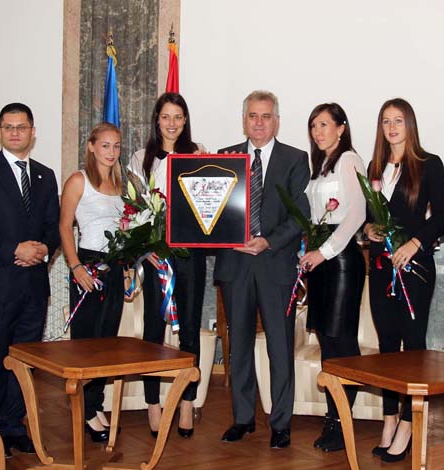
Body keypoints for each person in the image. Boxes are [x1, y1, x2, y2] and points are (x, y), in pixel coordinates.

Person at [0, 102, 60, 457]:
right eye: (8, 126)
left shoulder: (45, 176)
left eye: (21, 126)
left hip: (33, 286)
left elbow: (54, 225)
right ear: (0, 131)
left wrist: (43, 249)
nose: (15, 132)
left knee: (22, 361)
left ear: (33, 132)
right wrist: (15, 249)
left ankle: (14, 426)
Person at [215, 90, 310, 449]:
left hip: (275, 264)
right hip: (235, 264)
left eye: (266, 116)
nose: (259, 122)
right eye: (253, 116)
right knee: (238, 345)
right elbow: (212, 212)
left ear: (277, 121)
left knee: (279, 347)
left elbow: (300, 215)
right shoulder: (224, 158)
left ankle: (280, 422)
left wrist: (268, 241)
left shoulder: (295, 159)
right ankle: (242, 418)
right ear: (244, 120)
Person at [363, 98, 444, 462]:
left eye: (398, 121)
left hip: (415, 269)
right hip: (382, 269)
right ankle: (389, 420)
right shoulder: (374, 167)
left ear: (409, 125)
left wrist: (415, 243)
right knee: (387, 348)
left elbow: (443, 216)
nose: (392, 128)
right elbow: (370, 216)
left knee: (412, 348)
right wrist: (368, 229)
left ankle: (410, 425)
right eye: (386, 121)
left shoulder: (429, 164)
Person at [128, 92, 207, 438]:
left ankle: (187, 402)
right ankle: (153, 405)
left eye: (178, 117)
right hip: (156, 256)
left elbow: (208, 204)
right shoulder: (140, 158)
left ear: (185, 120)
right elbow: (134, 209)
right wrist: (146, 249)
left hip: (191, 254)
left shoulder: (198, 153)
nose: (171, 123)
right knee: (153, 329)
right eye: (165, 117)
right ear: (156, 120)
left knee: (190, 327)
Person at [298, 103, 366, 452]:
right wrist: (308, 253)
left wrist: (323, 253)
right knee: (327, 341)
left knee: (342, 344)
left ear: (341, 128)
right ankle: (333, 416)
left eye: (324, 125)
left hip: (341, 260)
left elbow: (356, 214)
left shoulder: (348, 160)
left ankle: (342, 422)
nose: (318, 132)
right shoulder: (320, 166)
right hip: (321, 260)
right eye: (314, 126)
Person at [59, 122, 126, 443]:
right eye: (105, 145)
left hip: (114, 268)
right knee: (86, 344)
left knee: (105, 343)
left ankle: (95, 404)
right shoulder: (78, 180)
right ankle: (84, 410)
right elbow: (64, 226)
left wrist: (127, 266)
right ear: (91, 146)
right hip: (88, 265)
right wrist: (76, 267)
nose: (111, 152)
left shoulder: (120, 184)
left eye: (116, 146)